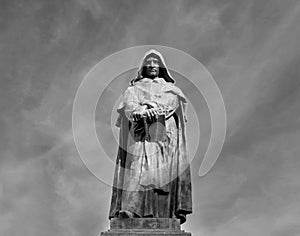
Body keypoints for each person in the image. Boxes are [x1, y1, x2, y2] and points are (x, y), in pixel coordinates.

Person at [109, 49, 192, 224]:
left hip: (164, 137)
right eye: (149, 62)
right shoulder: (134, 89)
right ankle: (130, 210)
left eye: (156, 62)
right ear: (143, 67)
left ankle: (163, 214)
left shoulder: (171, 89)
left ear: (161, 67)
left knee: (163, 175)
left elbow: (172, 103)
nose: (153, 65)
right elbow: (129, 105)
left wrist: (152, 106)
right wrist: (139, 110)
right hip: (140, 134)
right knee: (136, 168)